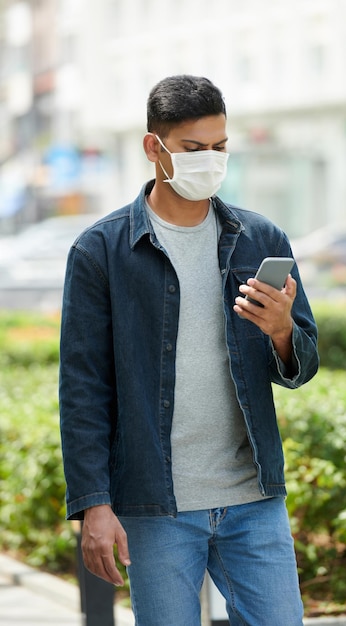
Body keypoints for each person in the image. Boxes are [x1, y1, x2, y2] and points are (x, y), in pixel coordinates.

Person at [59, 74, 319, 626]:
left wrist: (280, 331)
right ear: (155, 148)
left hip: (254, 498)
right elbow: (83, 390)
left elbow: (304, 361)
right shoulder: (100, 252)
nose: (210, 161)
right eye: (194, 149)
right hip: (156, 506)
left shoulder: (261, 239)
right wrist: (93, 506)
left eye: (220, 148)